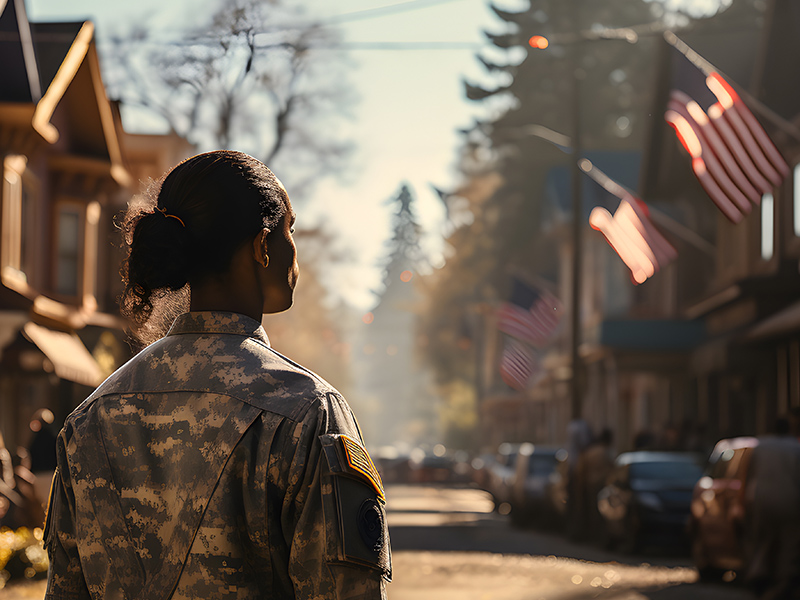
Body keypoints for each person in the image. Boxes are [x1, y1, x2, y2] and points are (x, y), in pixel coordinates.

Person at [44, 151, 391, 600]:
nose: (295, 253)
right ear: (262, 246)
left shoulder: (89, 420)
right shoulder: (307, 412)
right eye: (290, 230)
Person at [744, 416, 800, 600]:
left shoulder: (761, 446)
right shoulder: (795, 447)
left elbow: (749, 473)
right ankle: (785, 579)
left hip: (763, 498)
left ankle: (759, 574)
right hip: (789, 498)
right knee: (789, 541)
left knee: (763, 538)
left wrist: (747, 499)